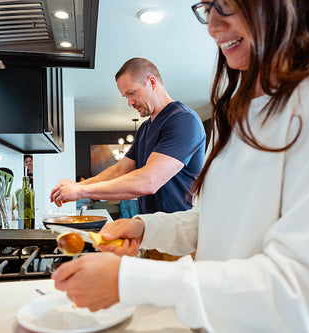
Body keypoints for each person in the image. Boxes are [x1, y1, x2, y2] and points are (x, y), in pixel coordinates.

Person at [52, 1, 309, 332]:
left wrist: (129, 280)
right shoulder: (235, 108)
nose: (213, 25)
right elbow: (216, 219)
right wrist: (145, 227)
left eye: (226, 4)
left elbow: (302, 291)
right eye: (207, 8)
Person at [50, 57, 206, 259]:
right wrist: (78, 185)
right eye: (126, 97)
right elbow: (120, 169)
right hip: (151, 235)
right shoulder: (145, 128)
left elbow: (148, 181)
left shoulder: (183, 120)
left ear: (151, 82)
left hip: (178, 243)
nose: (130, 102)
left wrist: (81, 190)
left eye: (132, 93)